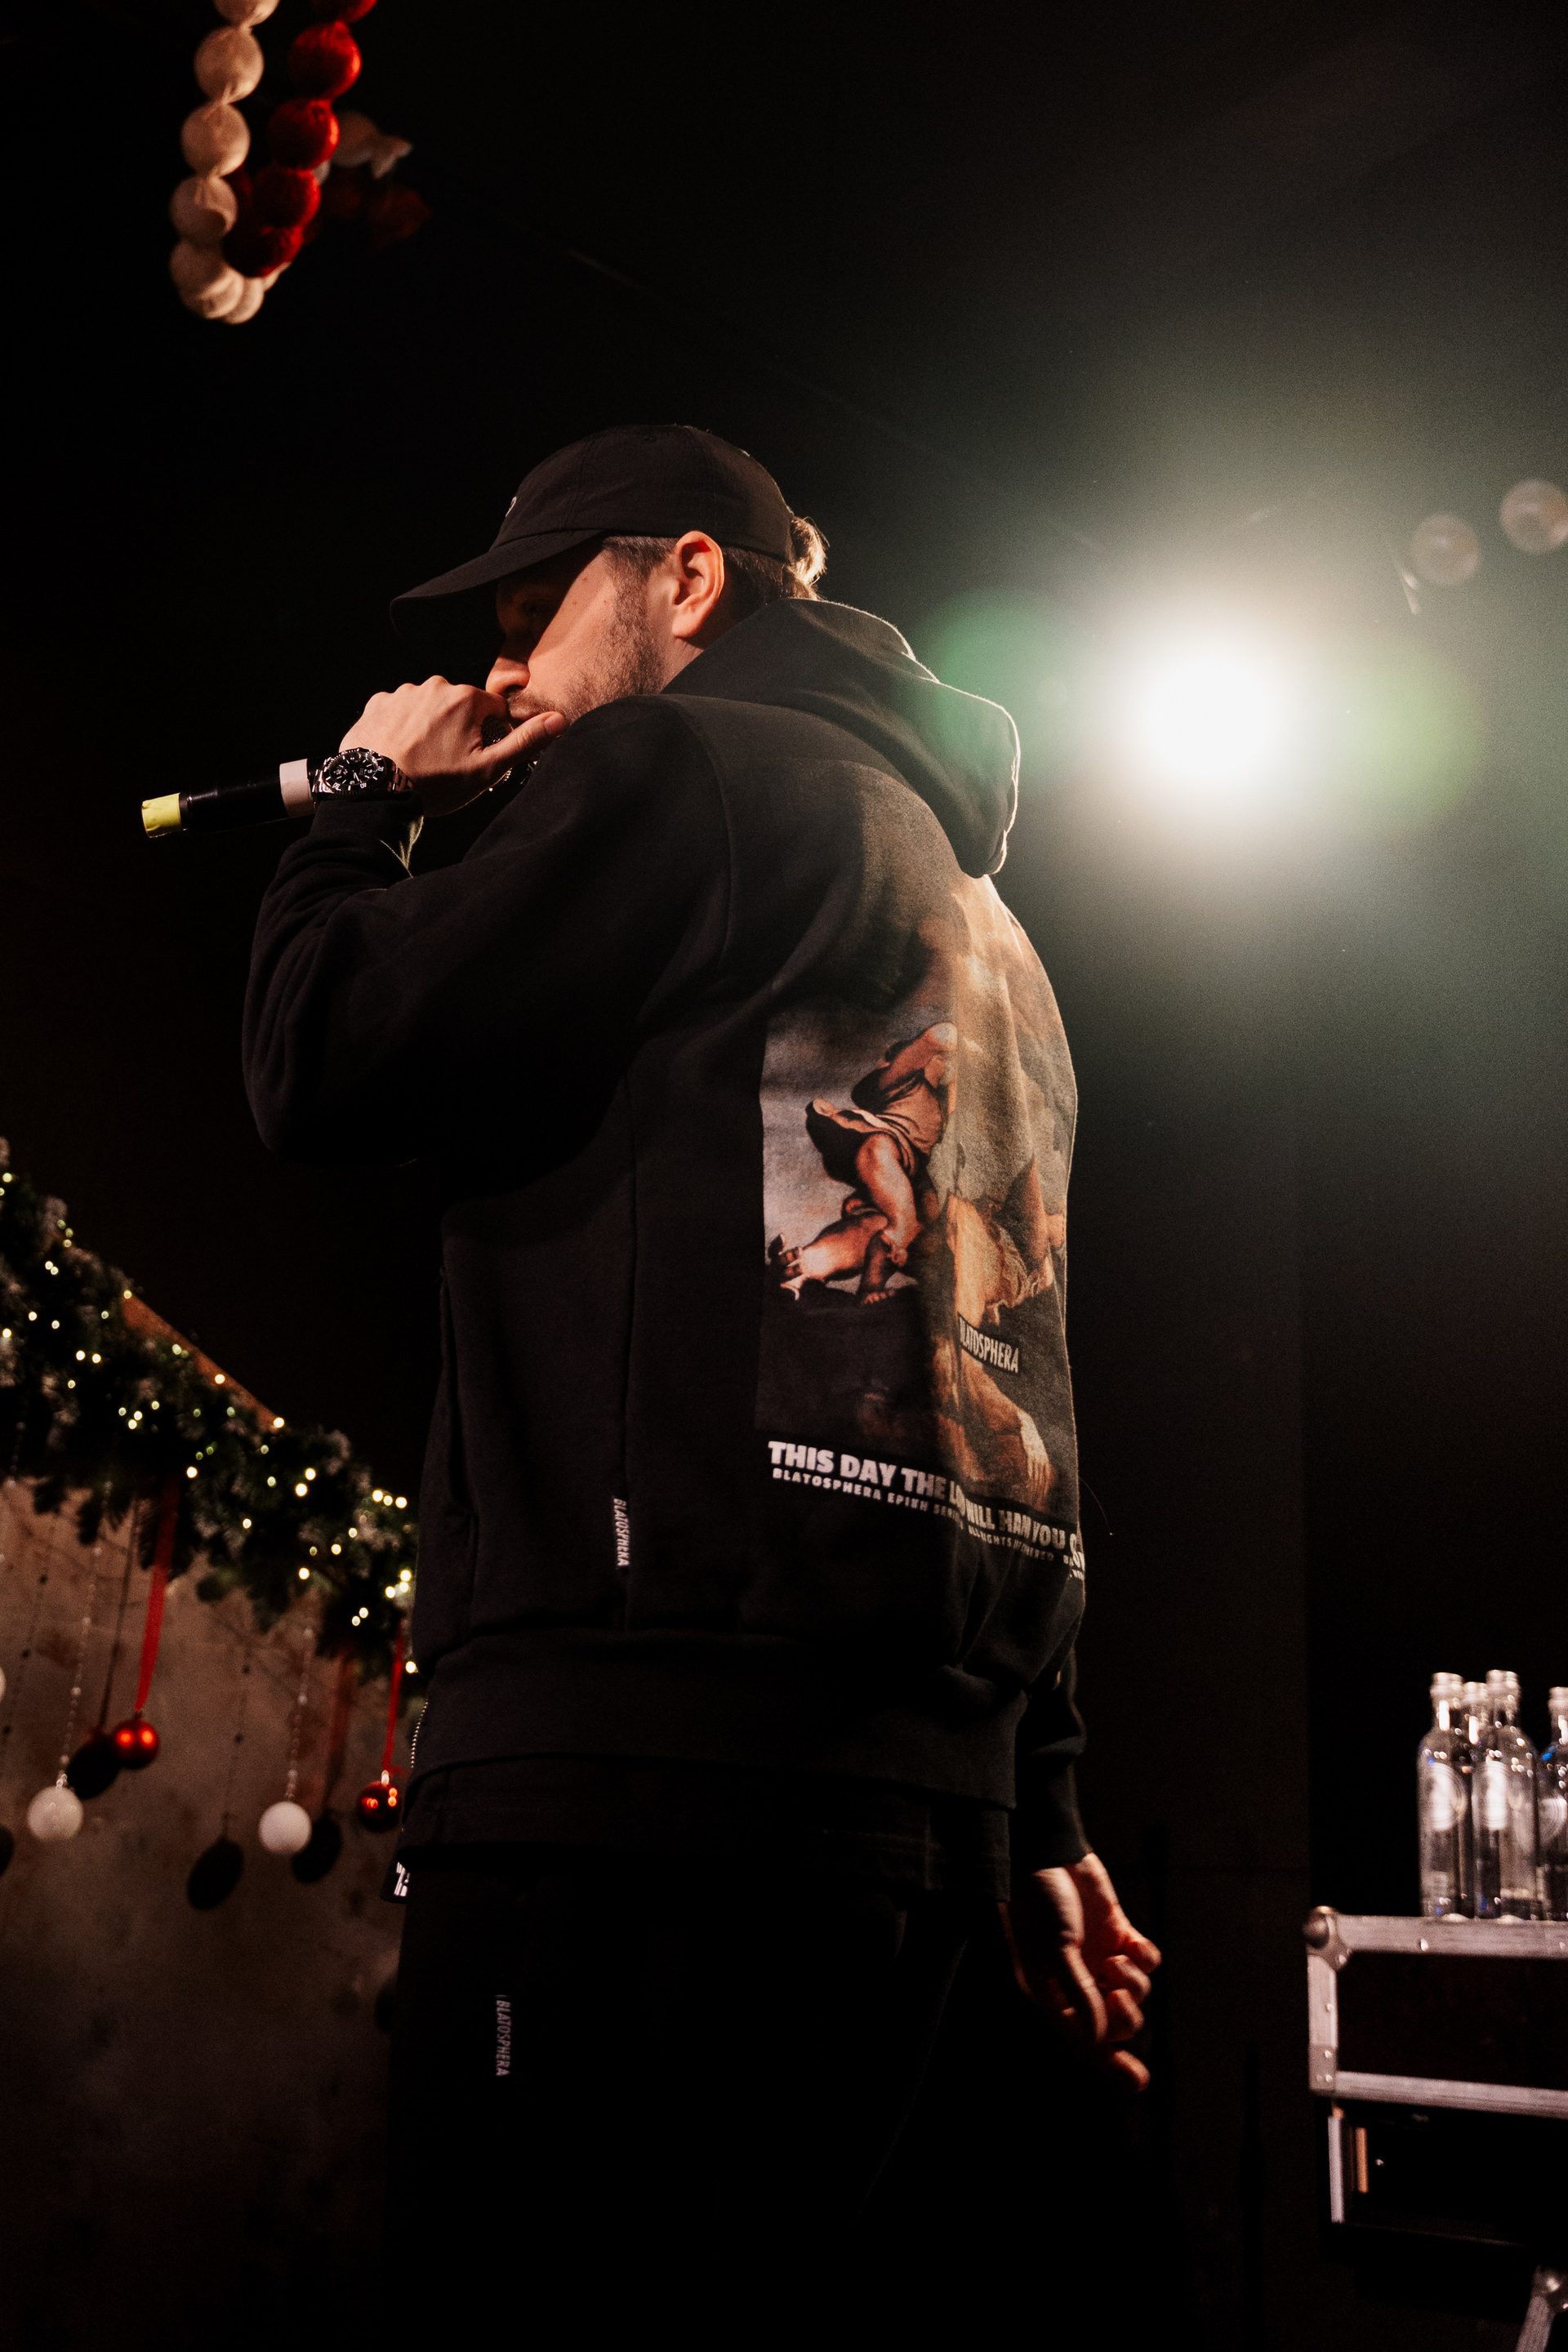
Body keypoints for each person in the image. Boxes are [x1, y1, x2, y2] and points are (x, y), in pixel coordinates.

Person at [243, 423, 1158, 2299]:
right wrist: (1038, 1788)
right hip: (920, 1822)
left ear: (685, 578)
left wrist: (359, 799)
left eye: (535, 612)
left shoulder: (675, 764)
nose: (504, 672)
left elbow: (318, 1053)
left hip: (637, 1788)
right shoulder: (995, 930)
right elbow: (1000, 1369)